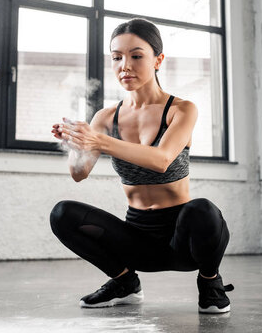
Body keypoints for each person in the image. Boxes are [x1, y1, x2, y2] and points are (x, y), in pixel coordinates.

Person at [49, 18, 233, 313]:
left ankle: (210, 281)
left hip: (183, 242)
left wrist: (99, 141)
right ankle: (124, 282)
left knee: (203, 210)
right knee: (62, 214)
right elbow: (79, 174)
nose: (125, 65)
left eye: (136, 56)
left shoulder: (181, 109)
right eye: (117, 57)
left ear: (158, 60)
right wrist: (75, 142)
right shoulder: (106, 117)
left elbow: (161, 160)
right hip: (137, 241)